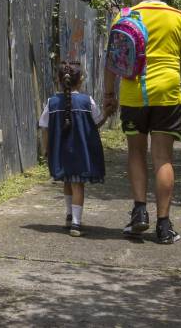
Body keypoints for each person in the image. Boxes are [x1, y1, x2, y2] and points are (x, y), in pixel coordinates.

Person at [103, 0, 181, 244]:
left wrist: (110, 94)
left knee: (135, 152)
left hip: (134, 94)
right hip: (168, 95)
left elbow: (112, 61)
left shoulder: (124, 16)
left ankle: (140, 213)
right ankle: (164, 226)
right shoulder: (179, 17)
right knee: (163, 158)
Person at [39, 61, 105, 237]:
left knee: (67, 182)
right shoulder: (86, 101)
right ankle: (76, 223)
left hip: (60, 152)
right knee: (78, 185)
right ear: (80, 80)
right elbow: (97, 122)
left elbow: (44, 128)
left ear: (58, 80)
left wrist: (45, 150)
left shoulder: (51, 103)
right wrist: (108, 112)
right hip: (80, 152)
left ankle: (69, 216)